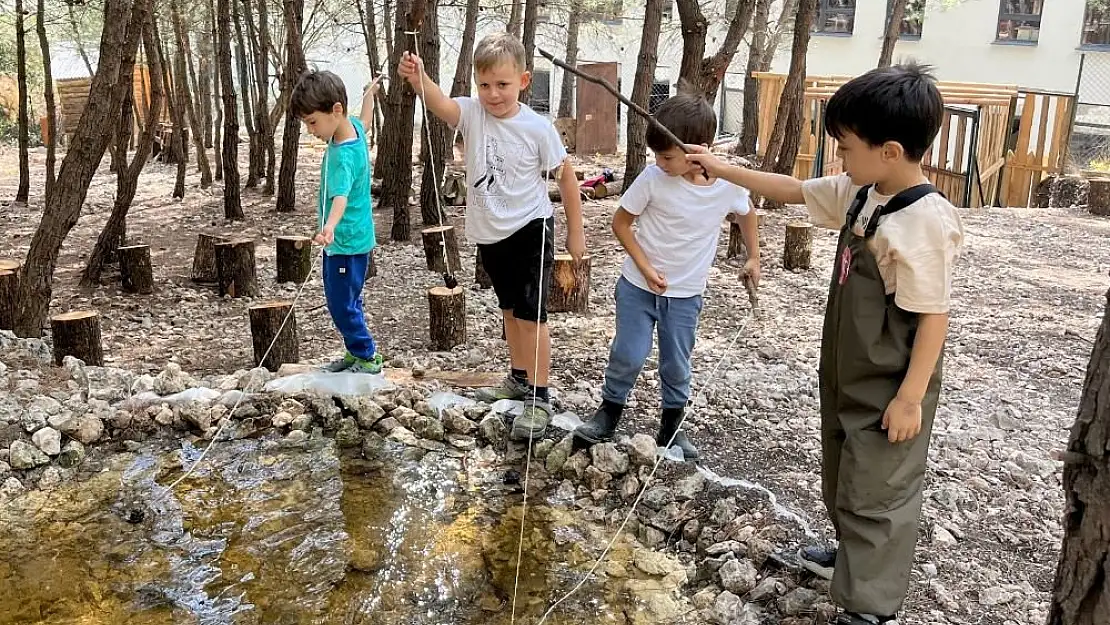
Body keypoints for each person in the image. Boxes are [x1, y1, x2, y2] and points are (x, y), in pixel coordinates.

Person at [687, 63, 964, 625]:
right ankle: (851, 558)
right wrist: (721, 168)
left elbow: (933, 318)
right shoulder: (862, 192)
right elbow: (790, 190)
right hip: (846, 369)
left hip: (891, 382)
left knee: (878, 489)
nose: (838, 156)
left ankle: (870, 604)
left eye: (845, 146)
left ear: (889, 150)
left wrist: (910, 398)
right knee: (842, 469)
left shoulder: (923, 223)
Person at [398, 33, 586, 440]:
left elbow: (566, 176)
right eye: (484, 85)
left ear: (523, 81)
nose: (493, 94)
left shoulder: (537, 128)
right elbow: (439, 103)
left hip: (531, 228)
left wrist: (576, 232)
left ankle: (539, 396)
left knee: (533, 316)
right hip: (491, 232)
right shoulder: (471, 113)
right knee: (509, 310)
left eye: (502, 85)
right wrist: (419, 78)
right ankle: (518, 379)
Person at [572, 93, 759, 461]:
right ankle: (609, 412)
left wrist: (754, 256)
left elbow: (747, 213)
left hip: (686, 294)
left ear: (697, 149)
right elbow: (621, 223)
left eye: (667, 156)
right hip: (638, 287)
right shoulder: (653, 178)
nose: (660, 163)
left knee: (677, 360)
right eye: (656, 156)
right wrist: (643, 265)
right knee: (629, 352)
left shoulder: (727, 184)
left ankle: (672, 425)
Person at [291, 70, 383, 374]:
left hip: (345, 241)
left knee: (340, 303)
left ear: (336, 110)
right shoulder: (353, 130)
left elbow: (340, 198)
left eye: (313, 122)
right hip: (353, 240)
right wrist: (370, 94)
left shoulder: (343, 157)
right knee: (347, 299)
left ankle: (366, 356)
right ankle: (355, 352)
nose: (311, 131)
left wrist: (329, 226)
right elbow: (366, 121)